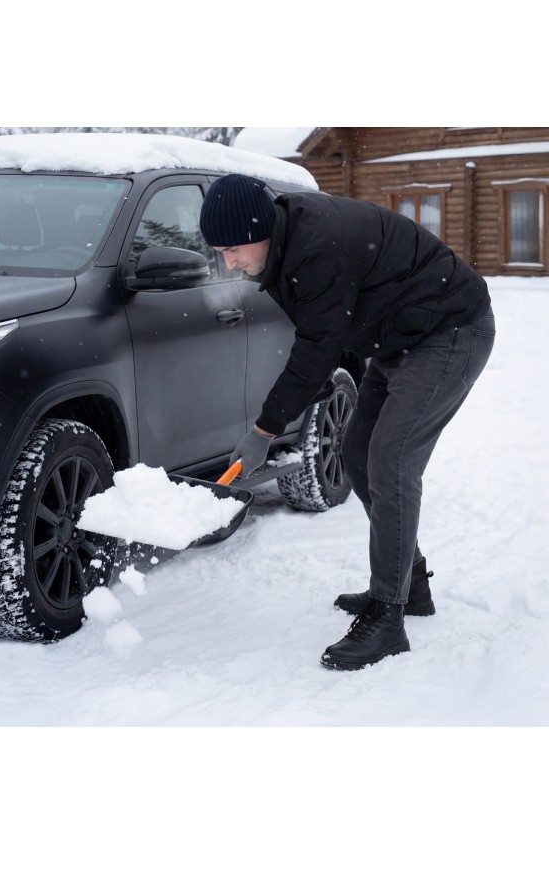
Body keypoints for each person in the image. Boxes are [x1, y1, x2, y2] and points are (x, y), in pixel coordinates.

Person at [199, 173, 495, 671]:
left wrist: (263, 432)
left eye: (232, 248)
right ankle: (411, 583)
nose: (227, 261)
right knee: (358, 455)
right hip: (400, 337)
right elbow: (328, 326)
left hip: (449, 331)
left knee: (391, 461)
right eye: (218, 251)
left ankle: (387, 616)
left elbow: (316, 348)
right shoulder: (282, 243)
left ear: (260, 227)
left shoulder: (317, 247)